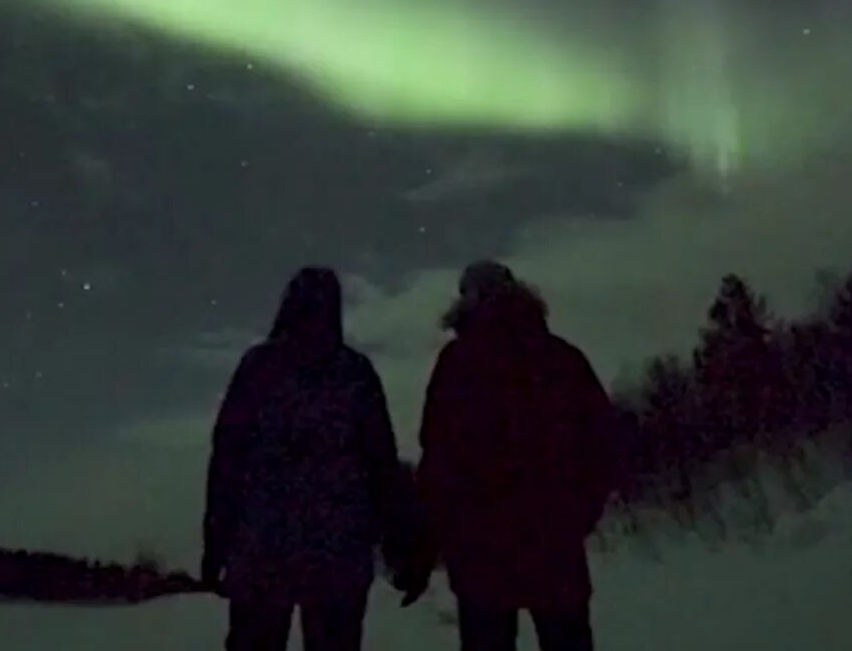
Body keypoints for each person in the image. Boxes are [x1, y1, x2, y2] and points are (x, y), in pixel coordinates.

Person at [405, 261, 619, 651]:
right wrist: (579, 512)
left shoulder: (458, 363)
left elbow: (438, 459)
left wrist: (429, 536)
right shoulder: (560, 357)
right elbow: (604, 442)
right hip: (552, 540)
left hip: (481, 548)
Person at [202, 266, 408, 651]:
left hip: (265, 546)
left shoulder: (259, 368)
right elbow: (382, 466)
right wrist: (398, 542)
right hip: (337, 550)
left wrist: (217, 541)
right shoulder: (354, 373)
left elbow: (228, 460)